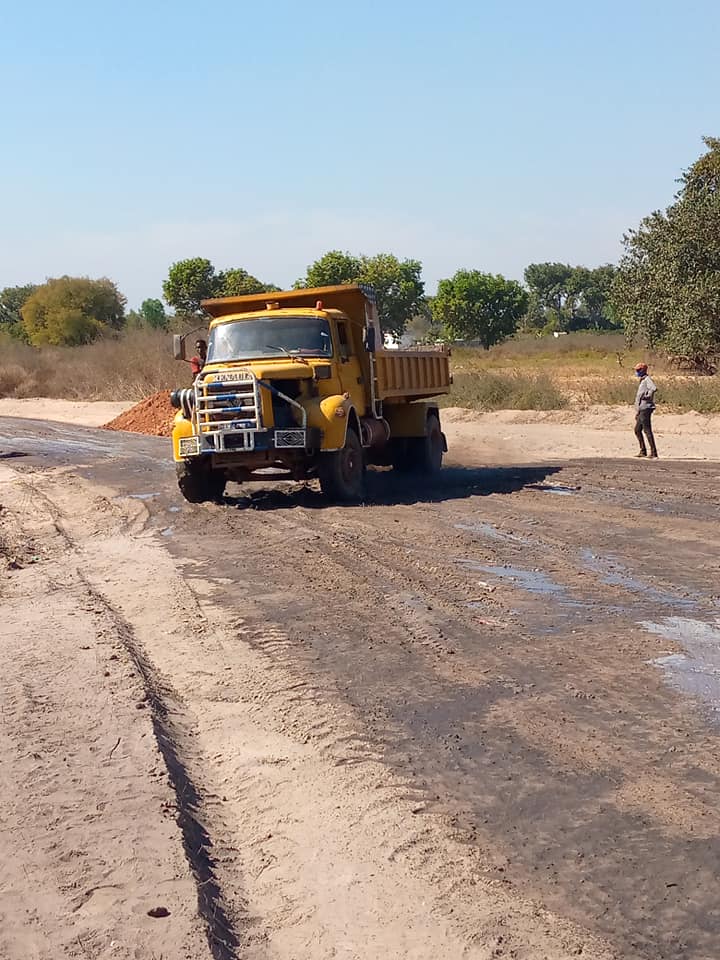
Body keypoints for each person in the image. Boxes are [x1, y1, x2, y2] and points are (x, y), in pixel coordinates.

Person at [633, 362, 658, 458]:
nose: (637, 372)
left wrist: (648, 396)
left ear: (643, 370)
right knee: (637, 430)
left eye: (638, 370)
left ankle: (653, 452)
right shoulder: (642, 380)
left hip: (646, 408)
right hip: (641, 409)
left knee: (647, 430)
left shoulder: (647, 379)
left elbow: (654, 388)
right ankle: (643, 451)